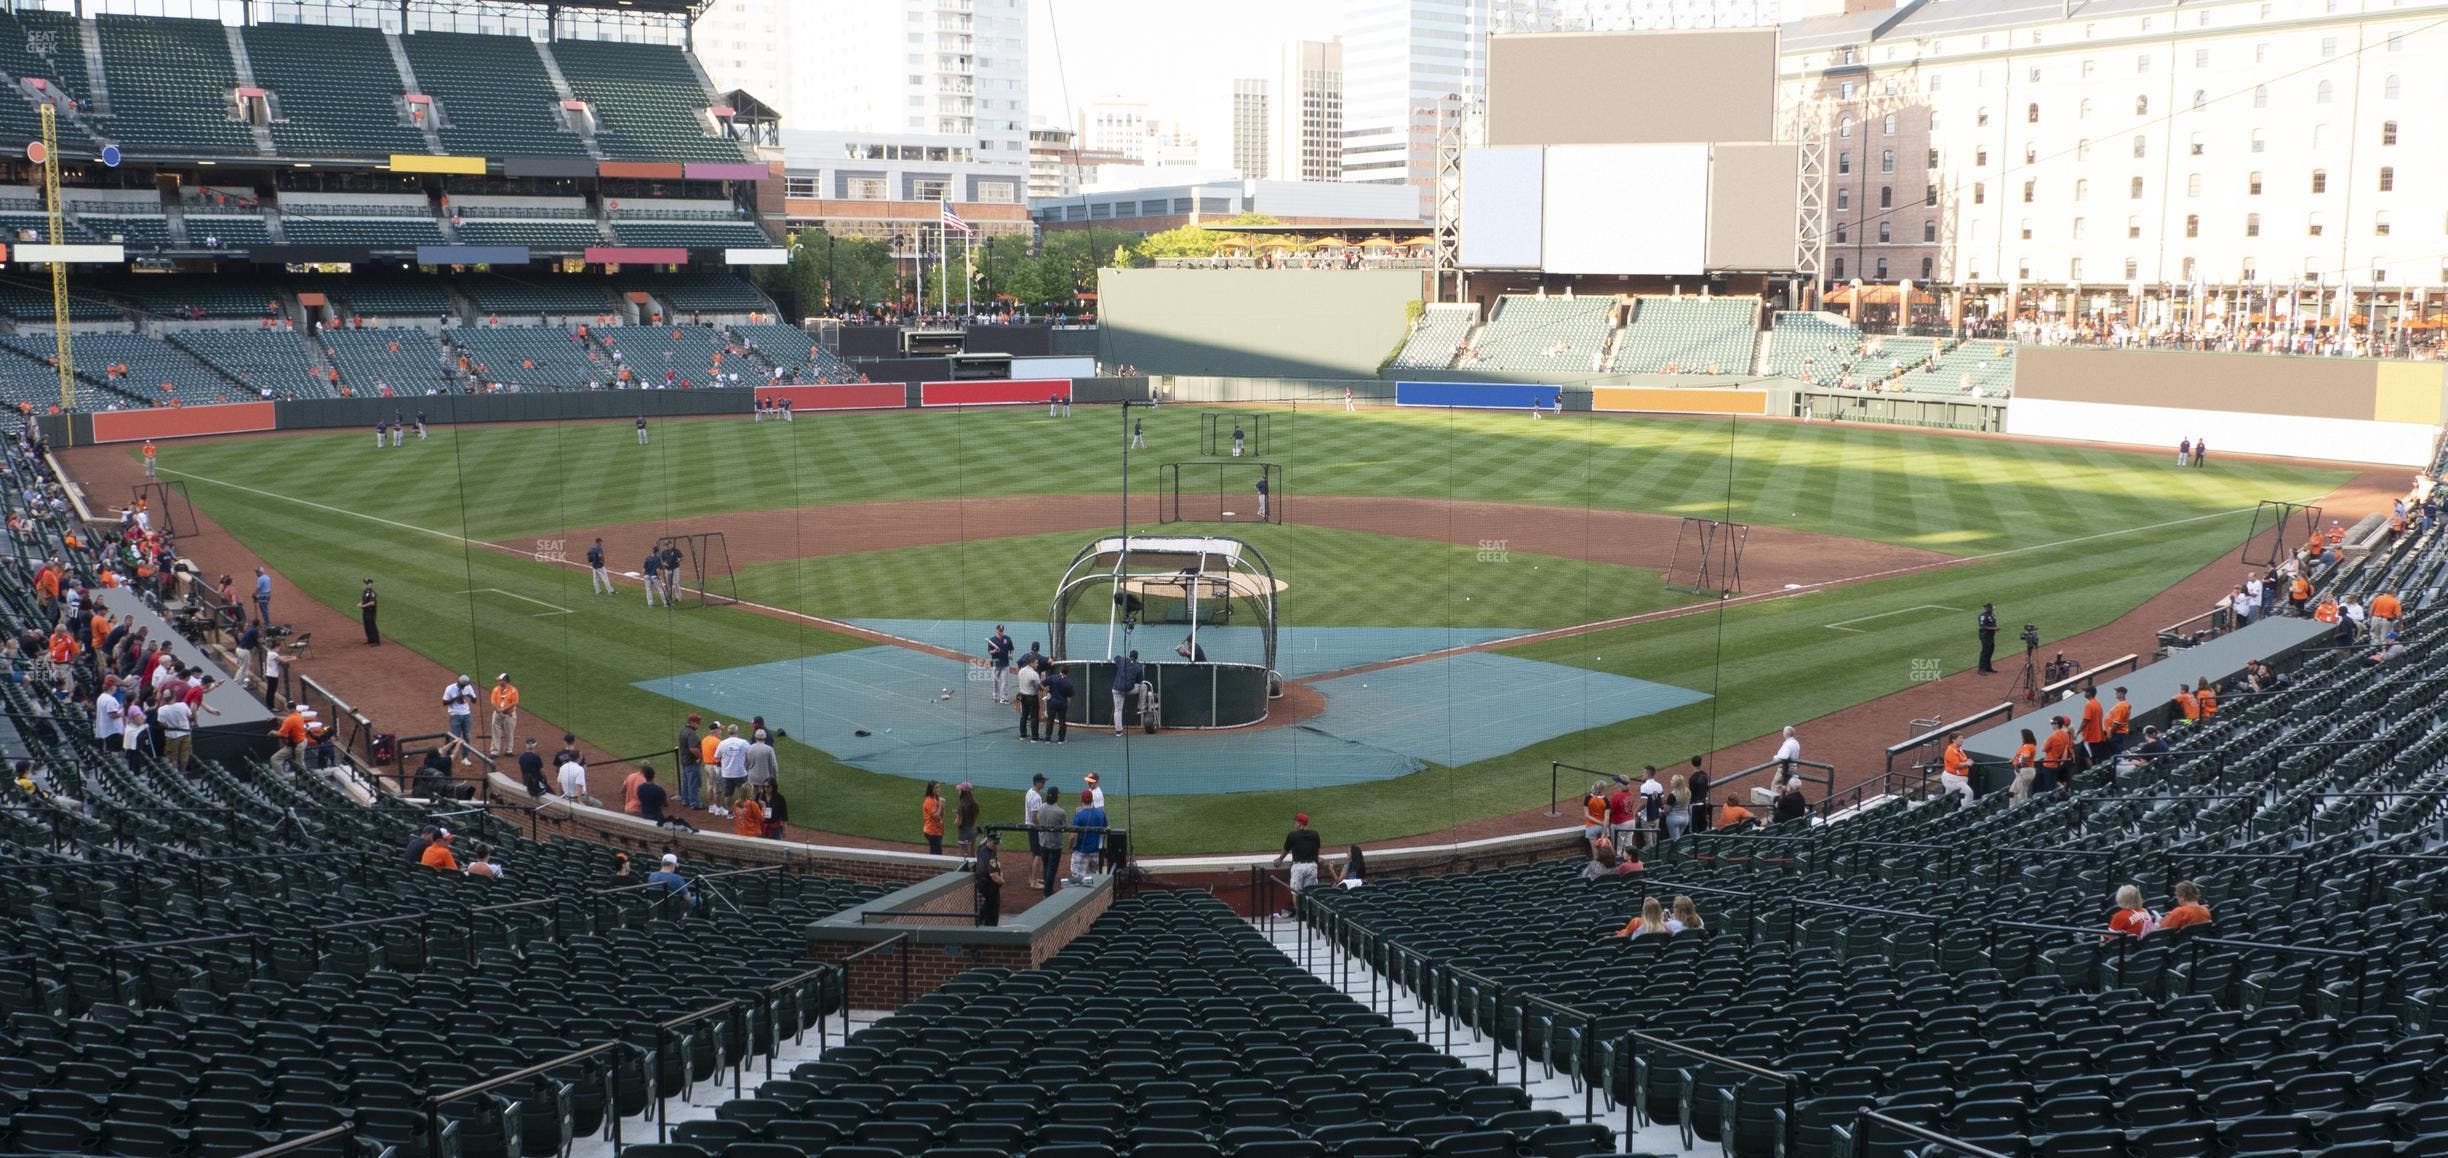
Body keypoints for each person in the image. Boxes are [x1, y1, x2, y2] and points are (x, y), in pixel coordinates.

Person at [1275, 812, 1323, 905]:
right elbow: (1317, 850)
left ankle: (1298, 913)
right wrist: (1317, 859)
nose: (1294, 824)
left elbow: (1286, 850)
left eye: (1296, 822)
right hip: (1312, 866)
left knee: (1296, 892)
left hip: (1298, 868)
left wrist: (1280, 859)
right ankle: (1308, 913)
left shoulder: (1292, 835)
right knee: (1309, 893)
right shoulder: (1315, 834)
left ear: (1300, 823)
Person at [1033, 786, 1069, 894]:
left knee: (1046, 866)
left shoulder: (1042, 808)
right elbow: (1065, 827)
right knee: (1052, 869)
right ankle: (1047, 892)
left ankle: (1047, 889)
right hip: (1055, 845)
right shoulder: (1060, 812)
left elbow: (1038, 819)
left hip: (1043, 842)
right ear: (1056, 796)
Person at [1070, 789, 1106, 883]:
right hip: (1096, 852)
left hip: (1081, 852)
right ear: (1092, 800)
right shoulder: (1101, 813)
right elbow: (1105, 830)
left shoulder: (1079, 815)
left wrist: (1070, 847)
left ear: (1081, 800)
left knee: (1078, 879)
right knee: (1093, 878)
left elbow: (1073, 836)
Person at [713, 724, 748, 814]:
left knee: (728, 794)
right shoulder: (743, 742)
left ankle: (730, 811)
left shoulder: (722, 743)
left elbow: (717, 756)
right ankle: (743, 812)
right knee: (743, 793)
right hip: (740, 773)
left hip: (727, 773)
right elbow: (750, 753)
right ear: (737, 731)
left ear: (728, 732)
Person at [973, 830, 1004, 926]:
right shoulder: (989, 855)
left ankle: (980, 919)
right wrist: (1002, 881)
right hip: (988, 885)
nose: (996, 845)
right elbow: (994, 876)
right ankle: (990, 926)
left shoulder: (982, 848)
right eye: (995, 843)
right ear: (989, 841)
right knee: (994, 906)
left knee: (988, 904)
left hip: (983, 883)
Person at [1111, 649, 1144, 735]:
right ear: (1136, 658)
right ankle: (1141, 706)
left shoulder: (1122, 660)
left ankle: (1118, 732)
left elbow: (1116, 657)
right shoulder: (1138, 667)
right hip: (1128, 690)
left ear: (1129, 656)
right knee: (1143, 686)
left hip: (1116, 689)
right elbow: (1139, 681)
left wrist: (1124, 659)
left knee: (1118, 710)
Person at [1939, 731, 1975, 807]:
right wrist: (1967, 763)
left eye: (1962, 738)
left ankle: (1938, 804)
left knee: (1948, 798)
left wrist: (1967, 761)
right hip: (1952, 779)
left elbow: (1962, 760)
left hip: (1958, 778)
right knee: (1968, 792)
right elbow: (1956, 765)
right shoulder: (1951, 750)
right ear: (1953, 740)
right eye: (1960, 738)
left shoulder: (1959, 749)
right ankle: (1966, 810)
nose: (1962, 740)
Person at [2039, 716, 2075, 791]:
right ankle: (2062, 791)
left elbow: (2043, 749)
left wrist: (2046, 740)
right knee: (2058, 781)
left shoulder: (2052, 737)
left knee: (2050, 785)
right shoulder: (2065, 735)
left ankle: (2058, 792)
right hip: (2059, 762)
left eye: (2052, 723)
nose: (2051, 725)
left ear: (2056, 724)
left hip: (2049, 763)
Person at [676, 714, 704, 810]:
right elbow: (693, 749)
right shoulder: (692, 733)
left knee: (686, 781)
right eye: (697, 722)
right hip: (692, 761)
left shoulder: (683, 729)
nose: (699, 724)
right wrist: (701, 757)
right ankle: (695, 803)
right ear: (692, 722)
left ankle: (685, 800)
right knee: (693, 783)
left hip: (684, 760)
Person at [488, 673, 519, 756]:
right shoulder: (496, 689)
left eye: (500, 680)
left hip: (509, 715)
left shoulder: (513, 690)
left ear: (505, 681)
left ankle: (508, 750)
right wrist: (498, 709)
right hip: (497, 714)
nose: (498, 681)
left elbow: (514, 702)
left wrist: (503, 709)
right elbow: (493, 701)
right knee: (495, 732)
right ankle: (494, 751)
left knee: (509, 732)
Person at [442, 675, 476, 749]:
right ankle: (449, 751)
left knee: (467, 736)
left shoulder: (468, 687)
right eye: (463, 685)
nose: (464, 686)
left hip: (467, 714)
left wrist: (470, 696)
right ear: (459, 682)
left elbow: (474, 701)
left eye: (465, 685)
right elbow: (444, 702)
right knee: (455, 736)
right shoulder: (450, 688)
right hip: (455, 715)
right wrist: (456, 698)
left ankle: (465, 755)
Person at [1042, 666, 1074, 743]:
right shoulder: (1068, 682)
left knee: (1050, 720)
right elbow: (1069, 696)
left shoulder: (1052, 677)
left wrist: (1047, 691)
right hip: (1062, 704)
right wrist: (1067, 704)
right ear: (1067, 673)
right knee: (1062, 721)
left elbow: (1042, 683)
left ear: (1060, 671)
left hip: (1052, 703)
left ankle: (1047, 738)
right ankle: (1061, 739)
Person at [1014, 658, 1043, 741]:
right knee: (1034, 717)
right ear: (1031, 663)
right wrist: (1042, 688)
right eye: (1036, 663)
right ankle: (1034, 737)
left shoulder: (1021, 671)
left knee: (1024, 716)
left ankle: (1023, 735)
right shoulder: (1034, 674)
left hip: (1022, 697)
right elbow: (1038, 686)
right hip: (1032, 698)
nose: (1037, 665)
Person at [2009, 728, 2040, 802]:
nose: (2021, 738)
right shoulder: (2031, 745)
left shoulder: (2027, 746)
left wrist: (2021, 764)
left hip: (2025, 771)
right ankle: (2013, 807)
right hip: (2027, 770)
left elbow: (2025, 756)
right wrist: (2014, 760)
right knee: (2013, 791)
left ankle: (2021, 807)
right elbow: (2020, 755)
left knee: (2021, 793)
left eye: (2022, 736)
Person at [986, 624, 1014, 704]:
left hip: (1005, 664)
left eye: (1002, 630)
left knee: (1004, 682)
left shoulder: (1007, 639)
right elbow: (989, 652)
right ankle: (995, 697)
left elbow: (1011, 649)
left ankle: (1004, 698)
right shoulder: (992, 640)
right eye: (1000, 630)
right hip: (996, 664)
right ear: (997, 630)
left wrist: (1011, 655)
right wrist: (994, 651)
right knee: (995, 681)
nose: (1001, 632)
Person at [955, 781, 980, 856]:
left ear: (963, 792)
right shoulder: (975, 804)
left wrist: (956, 818)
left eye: (960, 790)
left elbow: (959, 823)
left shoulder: (961, 805)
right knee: (972, 855)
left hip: (964, 834)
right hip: (973, 831)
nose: (958, 791)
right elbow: (972, 816)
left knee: (964, 857)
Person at [921, 780, 946, 855]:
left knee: (936, 851)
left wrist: (942, 806)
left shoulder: (936, 798)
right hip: (932, 831)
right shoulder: (929, 801)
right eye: (936, 788)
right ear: (931, 789)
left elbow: (942, 815)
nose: (938, 789)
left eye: (939, 787)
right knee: (937, 853)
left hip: (938, 830)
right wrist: (940, 804)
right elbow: (936, 816)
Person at [1976, 603, 1999, 674]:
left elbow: (1993, 623)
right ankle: (1981, 669)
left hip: (1991, 636)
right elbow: (1982, 627)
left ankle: (1988, 667)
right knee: (1985, 652)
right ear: (1987, 608)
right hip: (1985, 636)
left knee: (1990, 651)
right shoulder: (1982, 616)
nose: (1992, 609)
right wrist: (1994, 628)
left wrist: (1995, 628)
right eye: (1991, 608)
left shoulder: (1992, 615)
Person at [359, 578, 379, 645]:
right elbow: (363, 600)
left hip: (371, 612)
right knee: (367, 626)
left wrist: (362, 606)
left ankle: (376, 641)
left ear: (371, 584)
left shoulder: (372, 593)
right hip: (365, 612)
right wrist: (360, 603)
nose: (365, 585)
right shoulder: (365, 592)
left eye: (367, 584)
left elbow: (372, 603)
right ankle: (370, 639)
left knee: (372, 626)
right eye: (365, 583)